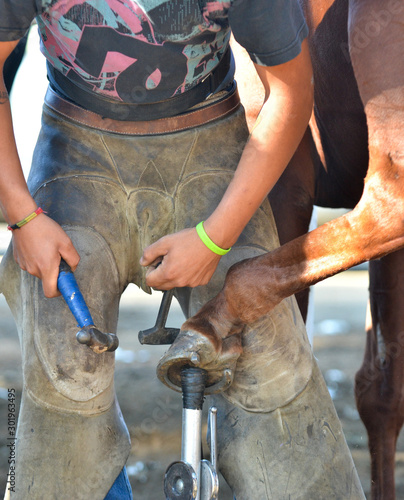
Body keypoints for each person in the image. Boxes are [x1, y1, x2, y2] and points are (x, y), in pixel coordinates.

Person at [0, 1, 365, 499]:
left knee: (271, 357)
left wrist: (216, 235)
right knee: (63, 363)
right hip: (77, 156)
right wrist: (22, 216)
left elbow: (292, 91)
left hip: (210, 146)